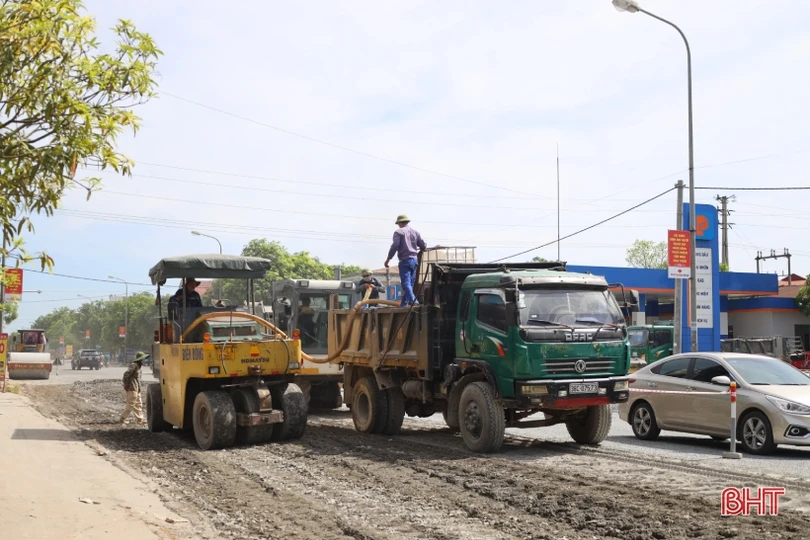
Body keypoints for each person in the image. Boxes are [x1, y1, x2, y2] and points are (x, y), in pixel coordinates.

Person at [384, 214, 426, 307]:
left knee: (406, 283)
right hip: (414, 261)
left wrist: (388, 259)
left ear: (399, 223)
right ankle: (404, 304)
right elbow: (423, 245)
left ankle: (413, 301)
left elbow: (395, 246)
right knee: (410, 283)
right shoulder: (415, 232)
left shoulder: (398, 232)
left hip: (405, 260)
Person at [119, 352, 149, 425]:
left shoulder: (138, 366)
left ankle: (140, 419)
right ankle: (122, 418)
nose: (145, 360)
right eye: (143, 359)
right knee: (130, 404)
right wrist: (126, 384)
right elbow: (126, 374)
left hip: (136, 388)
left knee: (138, 404)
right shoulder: (134, 365)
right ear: (140, 359)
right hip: (132, 387)